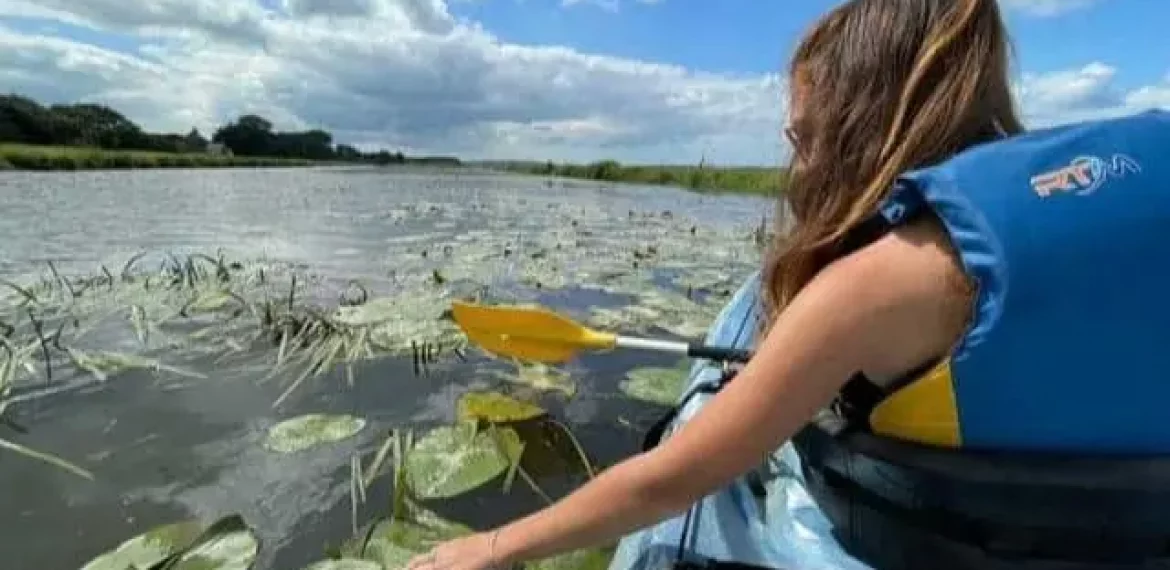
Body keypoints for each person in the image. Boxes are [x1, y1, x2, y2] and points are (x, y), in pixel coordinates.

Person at [408, 0, 1170, 568]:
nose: (796, 164)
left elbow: (669, 484)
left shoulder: (873, 286)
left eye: (803, 138)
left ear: (858, 126)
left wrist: (493, 547)